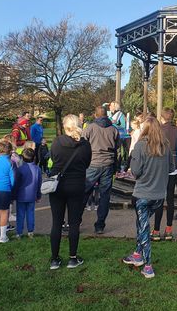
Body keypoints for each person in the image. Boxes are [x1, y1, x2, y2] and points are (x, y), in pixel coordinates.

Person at [122, 116, 175, 279]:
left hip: (142, 195)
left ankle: (148, 266)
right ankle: (137, 255)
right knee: (142, 225)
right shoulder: (165, 146)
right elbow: (172, 168)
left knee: (143, 229)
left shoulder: (140, 146)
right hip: (159, 196)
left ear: (144, 129)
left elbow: (136, 171)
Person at [49, 115, 92, 270]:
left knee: (56, 222)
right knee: (74, 222)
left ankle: (55, 259)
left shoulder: (56, 142)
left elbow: (53, 158)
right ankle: (73, 258)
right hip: (76, 184)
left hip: (58, 185)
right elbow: (87, 163)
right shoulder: (85, 145)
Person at [82, 106, 119, 234]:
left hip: (92, 164)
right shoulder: (114, 129)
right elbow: (117, 148)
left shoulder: (90, 128)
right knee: (105, 196)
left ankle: (76, 220)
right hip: (108, 164)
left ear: (95, 115)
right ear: (106, 115)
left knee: (84, 192)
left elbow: (82, 144)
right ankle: (100, 225)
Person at [152, 108, 177, 241]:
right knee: (170, 198)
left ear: (162, 117)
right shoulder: (176, 129)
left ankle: (156, 230)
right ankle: (169, 228)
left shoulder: (160, 130)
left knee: (159, 198)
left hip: (162, 164)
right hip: (174, 163)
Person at [14, 148, 42, 239]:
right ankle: (30, 232)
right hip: (32, 195)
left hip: (21, 195)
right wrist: (38, 195)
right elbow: (39, 183)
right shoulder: (37, 169)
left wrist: (14, 194)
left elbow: (16, 183)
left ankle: (19, 233)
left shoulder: (20, 168)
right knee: (30, 213)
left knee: (20, 214)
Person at [108, 101, 130, 173]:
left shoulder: (120, 114)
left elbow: (123, 126)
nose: (109, 107)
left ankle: (118, 168)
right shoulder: (110, 114)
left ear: (115, 106)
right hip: (112, 135)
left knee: (119, 152)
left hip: (120, 136)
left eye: (111, 105)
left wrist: (114, 122)